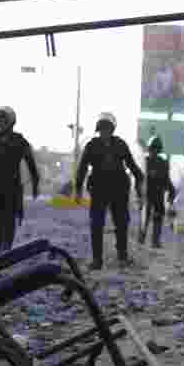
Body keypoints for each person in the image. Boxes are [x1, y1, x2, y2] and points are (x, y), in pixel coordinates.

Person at [75, 112, 144, 269]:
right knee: (96, 224)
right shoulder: (91, 145)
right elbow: (82, 169)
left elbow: (134, 168)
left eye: (107, 128)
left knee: (121, 223)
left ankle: (122, 256)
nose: (105, 132)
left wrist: (140, 188)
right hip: (99, 190)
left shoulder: (120, 144)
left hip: (119, 190)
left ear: (112, 129)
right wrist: (78, 190)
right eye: (102, 129)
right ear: (98, 130)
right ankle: (97, 260)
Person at [0, 106, 40, 253]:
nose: (1, 122)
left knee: (9, 221)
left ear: (11, 121)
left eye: (4, 119)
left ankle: (5, 248)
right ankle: (2, 248)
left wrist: (35, 184)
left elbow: (31, 163)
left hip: (13, 189)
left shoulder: (19, 141)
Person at [138, 135, 176, 249]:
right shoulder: (145, 162)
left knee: (158, 217)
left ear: (158, 150)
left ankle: (155, 241)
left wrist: (171, 191)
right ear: (149, 150)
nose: (153, 151)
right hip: (148, 194)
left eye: (155, 149)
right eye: (152, 149)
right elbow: (140, 179)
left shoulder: (162, 163)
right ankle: (142, 238)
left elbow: (166, 179)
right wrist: (139, 195)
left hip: (158, 194)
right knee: (145, 217)